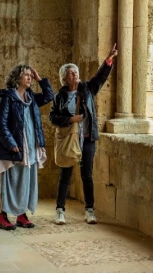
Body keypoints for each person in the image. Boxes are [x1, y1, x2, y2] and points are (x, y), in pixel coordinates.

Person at [49, 44, 118, 225]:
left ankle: (89, 210)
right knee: (65, 174)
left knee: (86, 175)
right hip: (70, 141)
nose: (75, 74)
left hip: (87, 140)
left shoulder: (87, 89)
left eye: (76, 72)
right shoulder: (60, 97)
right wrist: (70, 120)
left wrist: (109, 59)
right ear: (64, 78)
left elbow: (100, 77)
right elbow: (52, 117)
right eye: (71, 73)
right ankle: (60, 211)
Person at [0, 64, 53, 230]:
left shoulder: (30, 97)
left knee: (25, 181)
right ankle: (3, 217)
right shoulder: (6, 97)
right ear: (17, 78)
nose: (29, 78)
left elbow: (49, 96)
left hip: (29, 146)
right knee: (9, 183)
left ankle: (21, 215)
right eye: (26, 75)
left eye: (31, 75)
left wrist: (40, 79)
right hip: (12, 148)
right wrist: (11, 144)